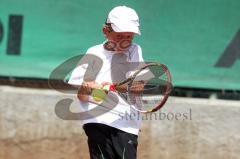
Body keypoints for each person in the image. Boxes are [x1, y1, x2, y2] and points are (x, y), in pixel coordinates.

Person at [68, 6, 144, 159]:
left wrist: (131, 87)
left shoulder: (135, 50)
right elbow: (82, 96)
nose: (124, 41)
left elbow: (137, 89)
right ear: (105, 31)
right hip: (96, 120)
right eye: (119, 35)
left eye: (129, 36)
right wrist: (88, 88)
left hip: (126, 123)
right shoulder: (93, 53)